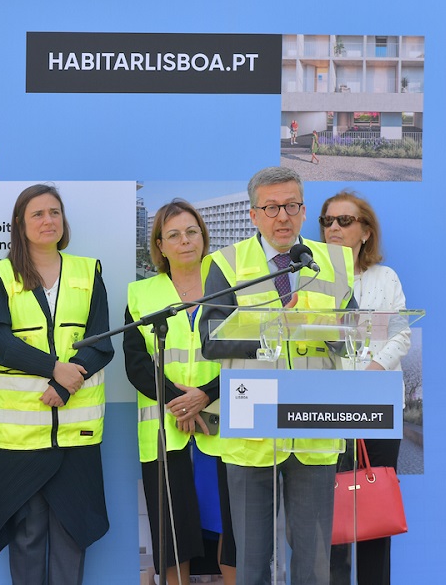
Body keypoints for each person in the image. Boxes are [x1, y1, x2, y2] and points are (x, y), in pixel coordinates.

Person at [199, 166, 355, 585]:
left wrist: (326, 328)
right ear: (253, 215)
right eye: (271, 208)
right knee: (250, 562)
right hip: (253, 429)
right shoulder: (226, 264)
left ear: (304, 211)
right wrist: (272, 330)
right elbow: (210, 340)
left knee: (315, 561)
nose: (282, 216)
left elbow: (353, 332)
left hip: (315, 427)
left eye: (291, 206)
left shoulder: (335, 261)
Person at [0, 184, 113, 585]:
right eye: (37, 214)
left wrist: (68, 384)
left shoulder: (89, 272)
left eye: (55, 212)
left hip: (76, 434)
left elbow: (101, 341)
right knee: (28, 535)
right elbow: (0, 343)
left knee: (73, 535)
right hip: (18, 439)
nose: (48, 220)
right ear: (20, 223)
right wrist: (54, 368)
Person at [124, 199, 237, 585]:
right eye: (173, 234)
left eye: (192, 232)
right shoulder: (140, 293)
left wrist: (204, 396)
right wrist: (180, 402)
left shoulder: (230, 288)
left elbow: (248, 355)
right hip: (166, 429)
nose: (185, 241)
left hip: (222, 426)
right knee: (172, 532)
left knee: (229, 525)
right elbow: (137, 363)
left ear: (204, 237)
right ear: (160, 244)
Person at [321, 191, 410, 585]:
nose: (334, 228)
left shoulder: (385, 278)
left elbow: (400, 337)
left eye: (344, 221)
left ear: (365, 232)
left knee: (375, 516)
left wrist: (370, 372)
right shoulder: (309, 280)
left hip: (378, 406)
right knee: (333, 516)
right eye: (327, 221)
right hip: (328, 407)